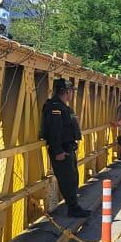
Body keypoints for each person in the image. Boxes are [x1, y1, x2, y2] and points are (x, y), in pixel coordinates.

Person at [40, 79, 90, 218]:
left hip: (68, 148)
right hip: (62, 150)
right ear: (67, 92)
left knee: (73, 178)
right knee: (67, 180)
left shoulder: (63, 107)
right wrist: (58, 151)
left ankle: (74, 206)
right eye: (71, 92)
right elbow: (54, 131)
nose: (72, 94)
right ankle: (73, 208)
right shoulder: (55, 107)